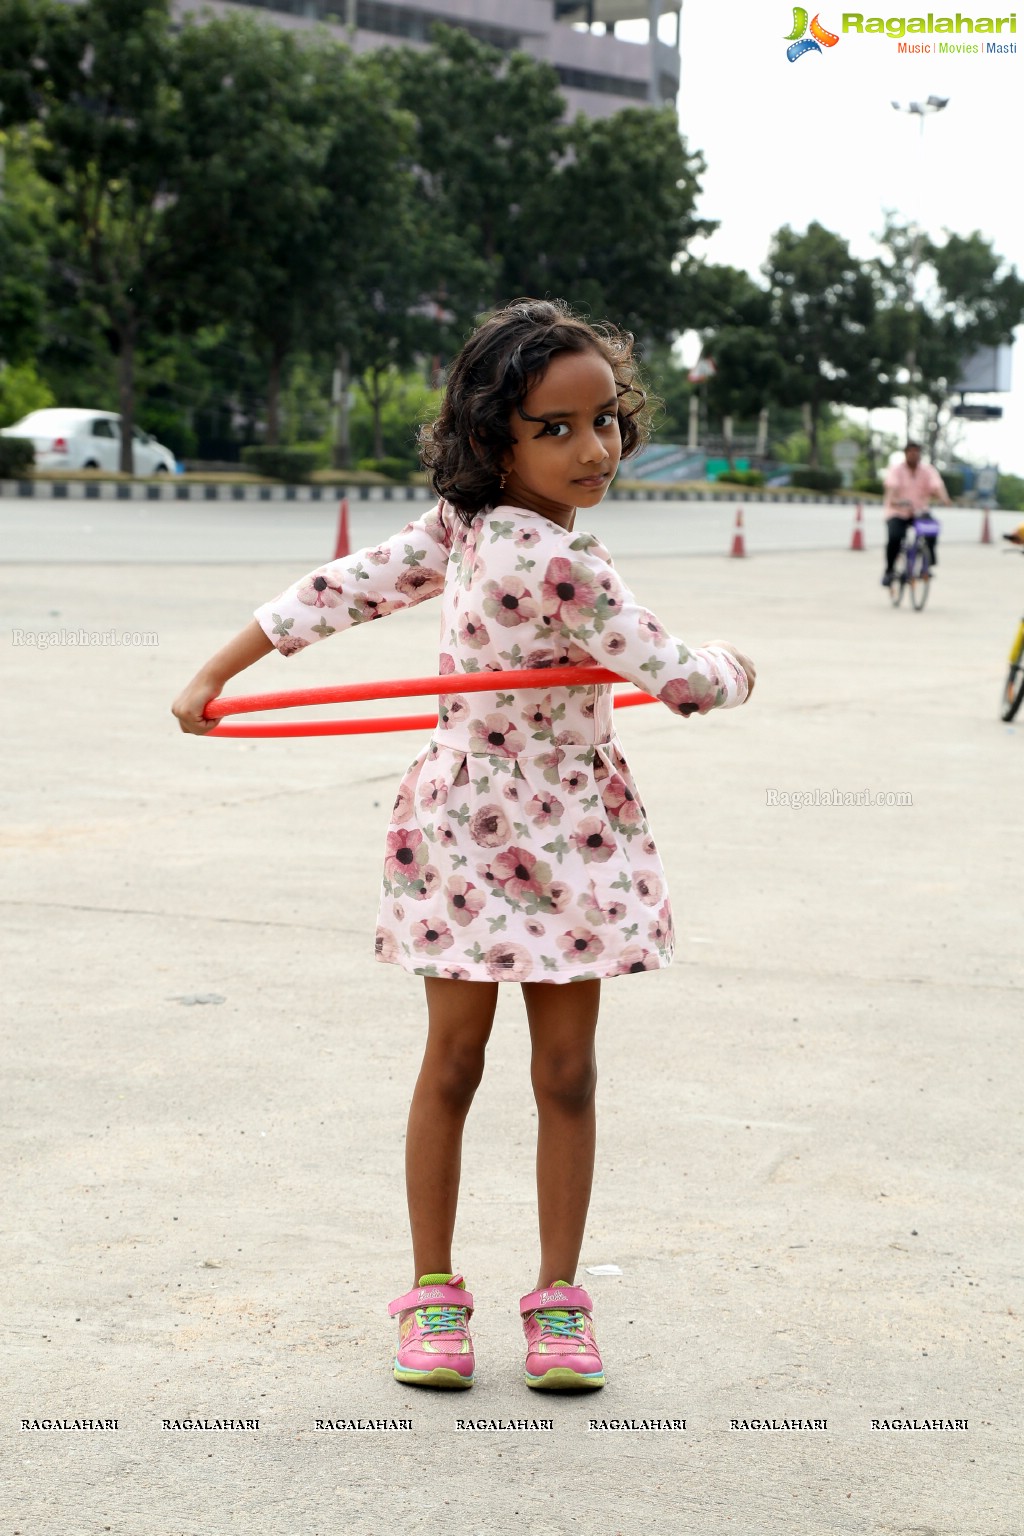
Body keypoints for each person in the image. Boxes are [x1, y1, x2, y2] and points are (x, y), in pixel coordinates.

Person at [171, 298, 756, 1393]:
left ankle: (539, 1302)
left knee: (493, 1066)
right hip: (490, 832)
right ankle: (451, 1297)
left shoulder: (482, 532)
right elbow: (675, 678)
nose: (594, 451)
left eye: (605, 422)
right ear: (495, 438)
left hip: (551, 833)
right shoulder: (509, 543)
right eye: (556, 428)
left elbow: (328, 593)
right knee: (542, 1072)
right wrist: (733, 663)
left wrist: (221, 672)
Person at [882, 441, 951, 585]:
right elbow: (892, 486)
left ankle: (927, 564)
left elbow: (937, 485)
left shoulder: (927, 470)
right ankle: (889, 571)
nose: (914, 455)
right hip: (897, 511)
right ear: (906, 454)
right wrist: (893, 501)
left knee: (932, 528)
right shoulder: (896, 470)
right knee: (895, 538)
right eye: (910, 452)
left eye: (916, 452)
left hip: (919, 511)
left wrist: (944, 498)